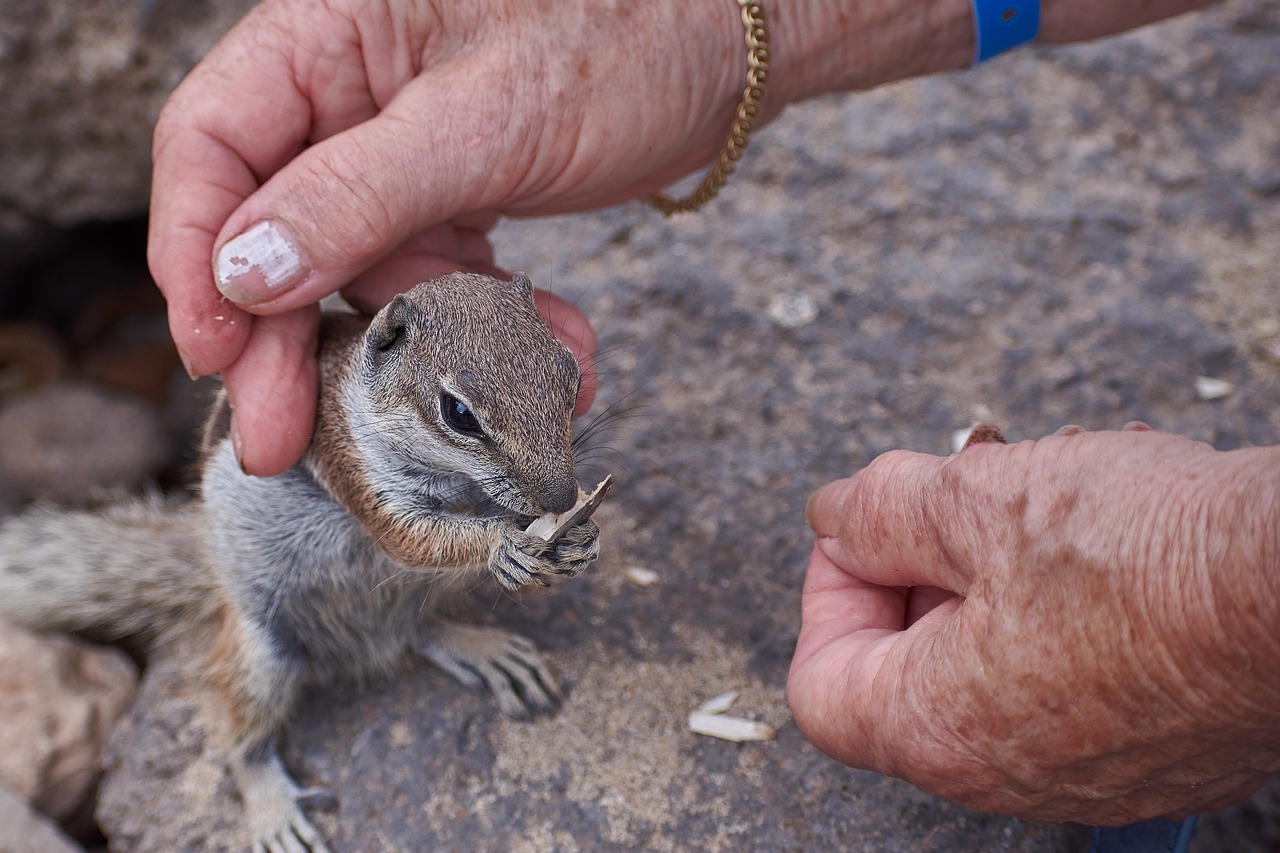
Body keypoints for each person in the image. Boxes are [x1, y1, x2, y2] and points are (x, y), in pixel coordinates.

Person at [147, 0, 1279, 826]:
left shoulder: (492, 395)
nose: (552, 470)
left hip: (420, 584)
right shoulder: (356, 405)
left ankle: (436, 629)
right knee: (273, 657)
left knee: (477, 542)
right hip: (293, 575)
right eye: (458, 417)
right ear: (390, 357)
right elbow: (400, 525)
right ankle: (250, 766)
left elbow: (484, 506)